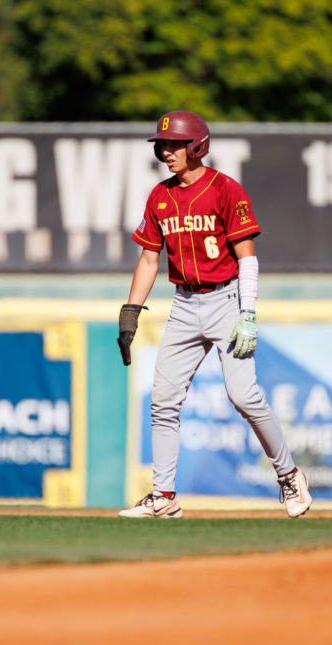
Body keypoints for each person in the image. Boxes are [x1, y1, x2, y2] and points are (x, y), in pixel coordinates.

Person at [116, 110, 312, 519]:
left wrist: (249, 313)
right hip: (185, 305)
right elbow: (149, 260)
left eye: (174, 144)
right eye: (162, 145)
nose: (166, 151)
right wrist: (130, 311)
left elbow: (247, 259)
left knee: (244, 395)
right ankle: (163, 497)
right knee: (163, 401)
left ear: (197, 146)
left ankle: (290, 474)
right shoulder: (159, 196)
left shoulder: (226, 190)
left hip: (225, 301)